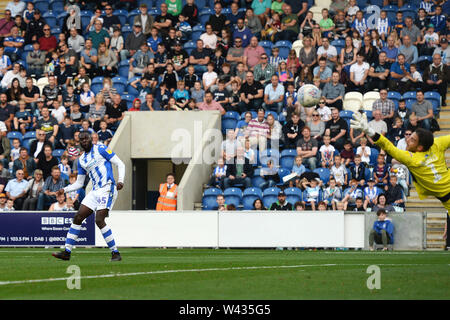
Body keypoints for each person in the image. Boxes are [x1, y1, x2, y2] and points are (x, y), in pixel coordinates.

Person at [351, 112, 450, 214]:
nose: (407, 139)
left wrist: (370, 132)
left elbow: (389, 147)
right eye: (409, 136)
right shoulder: (437, 143)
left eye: (412, 140)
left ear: (420, 147)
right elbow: (389, 147)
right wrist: (370, 131)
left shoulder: (412, 159)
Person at [52, 132, 125, 262]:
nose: (84, 141)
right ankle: (67, 252)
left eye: (86, 138)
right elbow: (79, 183)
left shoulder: (101, 149)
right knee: (78, 216)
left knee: (99, 220)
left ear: (91, 139)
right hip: (95, 191)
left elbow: (120, 164)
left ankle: (115, 253)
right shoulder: (81, 160)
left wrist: (121, 180)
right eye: (81, 140)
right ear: (79, 143)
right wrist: (64, 189)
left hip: (107, 188)